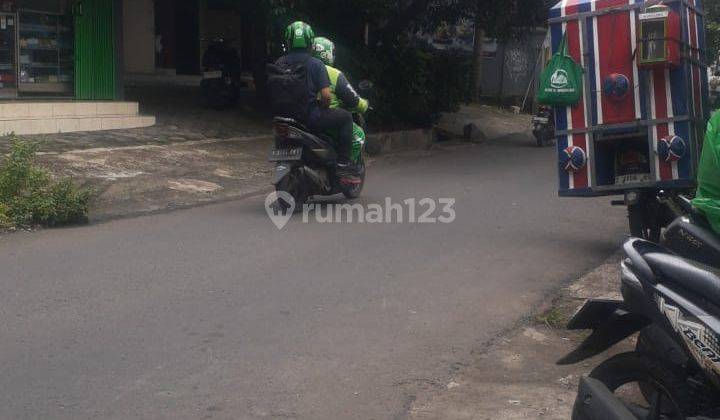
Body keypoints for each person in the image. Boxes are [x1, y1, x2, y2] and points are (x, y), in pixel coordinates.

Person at [274, 21, 357, 179]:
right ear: (310, 42)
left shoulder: (279, 62)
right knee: (346, 117)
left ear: (288, 41)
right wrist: (323, 105)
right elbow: (326, 96)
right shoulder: (316, 64)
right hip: (309, 117)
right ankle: (344, 163)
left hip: (281, 117)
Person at [311, 37, 369, 115]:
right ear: (329, 54)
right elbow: (355, 102)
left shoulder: (301, 68)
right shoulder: (334, 74)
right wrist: (365, 104)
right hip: (324, 120)